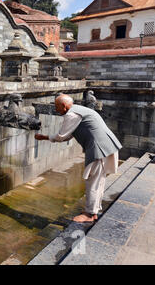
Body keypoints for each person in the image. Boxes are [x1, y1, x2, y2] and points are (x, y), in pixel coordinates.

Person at [35, 94, 122, 223]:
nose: (56, 109)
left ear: (64, 106)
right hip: (107, 146)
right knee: (98, 181)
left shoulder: (72, 115)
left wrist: (44, 137)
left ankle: (89, 214)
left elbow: (62, 136)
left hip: (99, 149)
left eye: (57, 106)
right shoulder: (79, 110)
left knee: (93, 181)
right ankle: (93, 211)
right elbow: (70, 134)